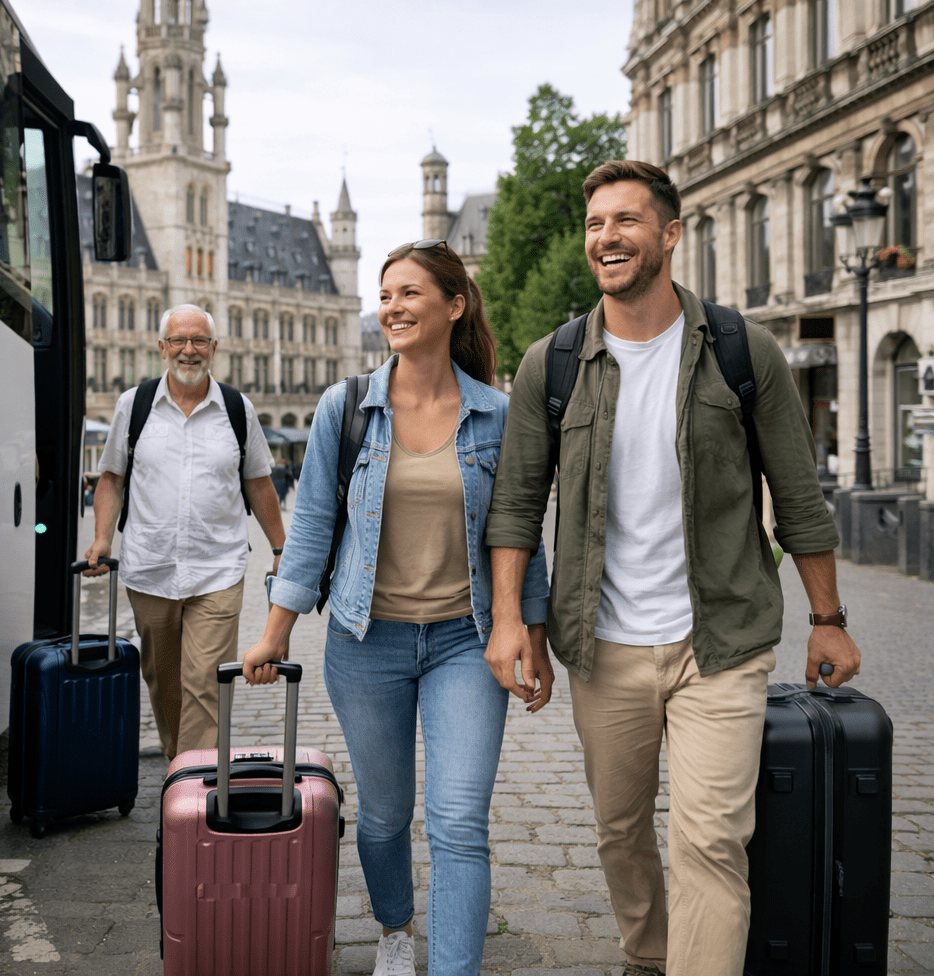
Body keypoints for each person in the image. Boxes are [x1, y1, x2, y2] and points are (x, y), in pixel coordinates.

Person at [483, 161, 861, 976]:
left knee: (709, 842)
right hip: (604, 645)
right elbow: (515, 505)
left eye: (624, 221)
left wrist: (828, 620)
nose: (606, 239)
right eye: (594, 225)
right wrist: (513, 620)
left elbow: (797, 497)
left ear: (670, 235)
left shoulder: (739, 349)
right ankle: (651, 958)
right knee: (620, 834)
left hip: (718, 641)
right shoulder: (550, 365)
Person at [243, 240, 550, 976]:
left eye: (410, 293)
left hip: (464, 644)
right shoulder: (345, 407)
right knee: (383, 818)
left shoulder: (498, 417)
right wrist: (274, 632)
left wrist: (530, 634)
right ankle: (393, 928)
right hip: (365, 639)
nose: (393, 308)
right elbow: (313, 520)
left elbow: (521, 533)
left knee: (458, 823)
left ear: (454, 304)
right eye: (385, 296)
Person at [85, 304, 285, 759]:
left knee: (205, 683)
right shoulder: (133, 405)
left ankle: (195, 794)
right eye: (179, 340)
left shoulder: (237, 408)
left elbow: (258, 482)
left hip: (218, 568)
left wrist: (280, 546)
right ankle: (183, 770)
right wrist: (102, 539)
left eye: (199, 341)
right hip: (149, 567)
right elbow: (112, 478)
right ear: (162, 348)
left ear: (213, 349)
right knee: (165, 682)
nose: (188, 350)